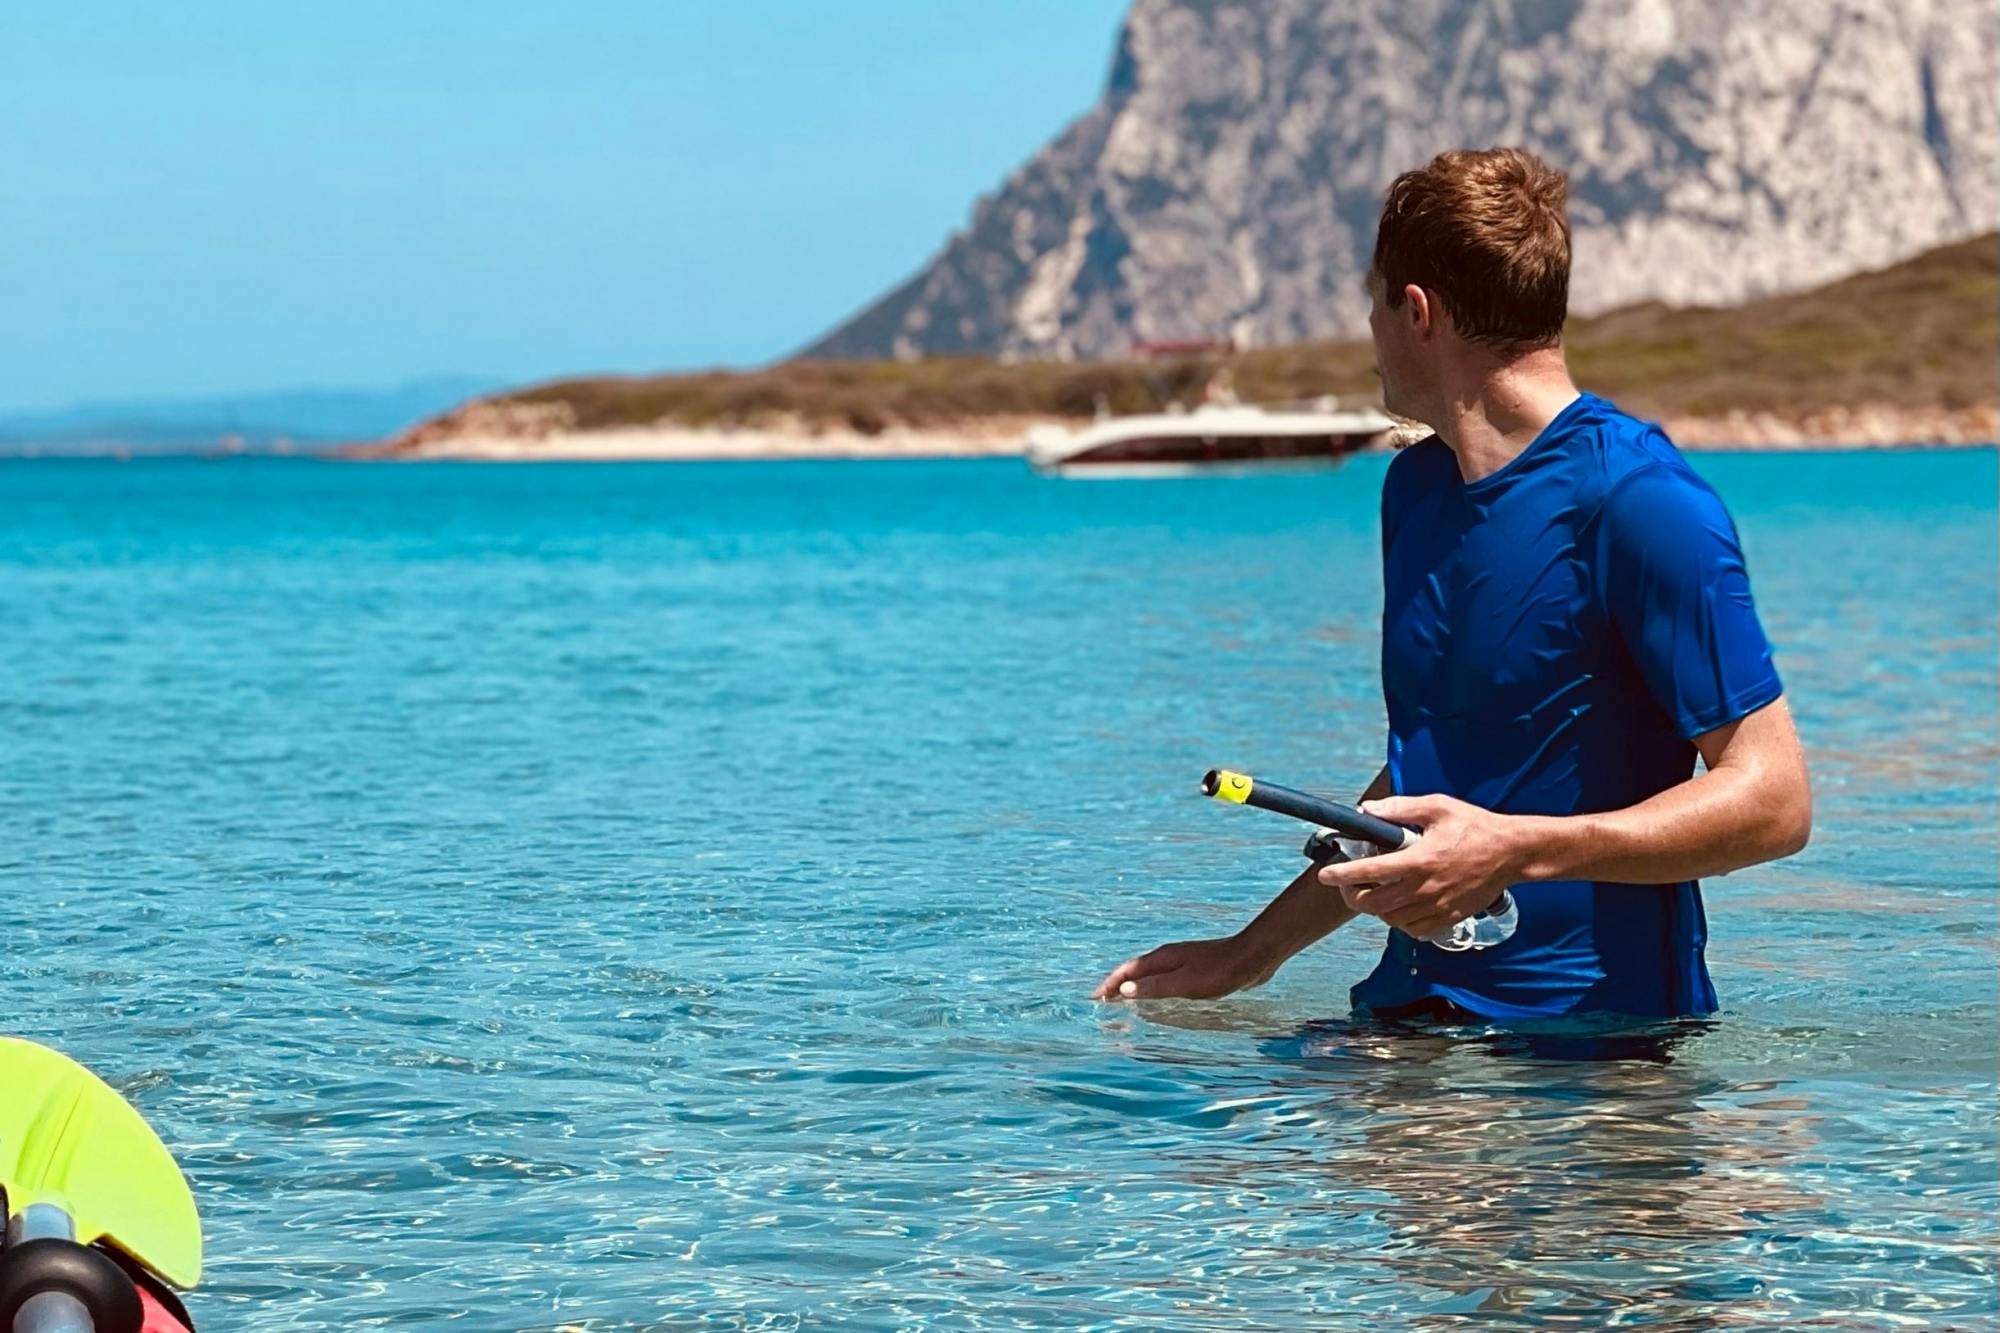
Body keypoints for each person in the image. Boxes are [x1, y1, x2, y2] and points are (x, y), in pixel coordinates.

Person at [1093, 147, 1812, 1021]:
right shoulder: (1417, 490)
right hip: (1411, 1015)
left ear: (1418, 312)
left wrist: (1515, 850)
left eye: (1374, 302)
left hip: (1591, 1056)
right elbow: (1439, 772)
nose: (1368, 331)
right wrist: (1251, 952)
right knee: (1173, 1129)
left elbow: (1776, 800)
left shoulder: (1642, 501)